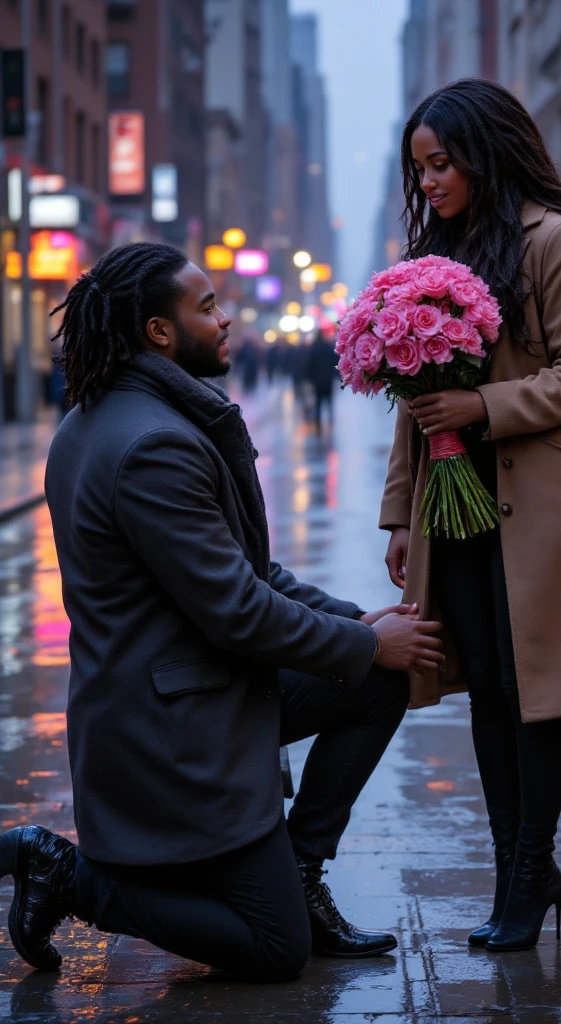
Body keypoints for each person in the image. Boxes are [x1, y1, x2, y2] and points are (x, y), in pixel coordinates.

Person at [0, 242, 445, 979]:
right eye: (206, 307)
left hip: (197, 690)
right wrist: (363, 644)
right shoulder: (153, 446)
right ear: (159, 332)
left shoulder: (115, 416)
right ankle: (67, 874)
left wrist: (358, 628)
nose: (226, 317)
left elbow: (248, 569)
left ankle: (298, 875)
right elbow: (236, 609)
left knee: (378, 678)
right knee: (275, 951)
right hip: (169, 726)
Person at [380, 79, 561, 953]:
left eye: (442, 163)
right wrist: (398, 516)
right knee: (487, 691)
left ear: (485, 152)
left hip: (539, 502)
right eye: (419, 168)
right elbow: (411, 399)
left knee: (534, 695)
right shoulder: (439, 253)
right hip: (454, 504)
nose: (429, 182)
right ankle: (516, 870)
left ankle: (530, 873)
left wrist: (485, 406)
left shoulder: (553, 240)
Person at [305, 331, 339, 432]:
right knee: (329, 401)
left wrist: (310, 378)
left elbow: (308, 365)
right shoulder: (328, 347)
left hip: (317, 381)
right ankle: (330, 420)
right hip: (328, 379)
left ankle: (318, 423)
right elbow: (335, 361)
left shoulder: (313, 349)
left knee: (318, 403)